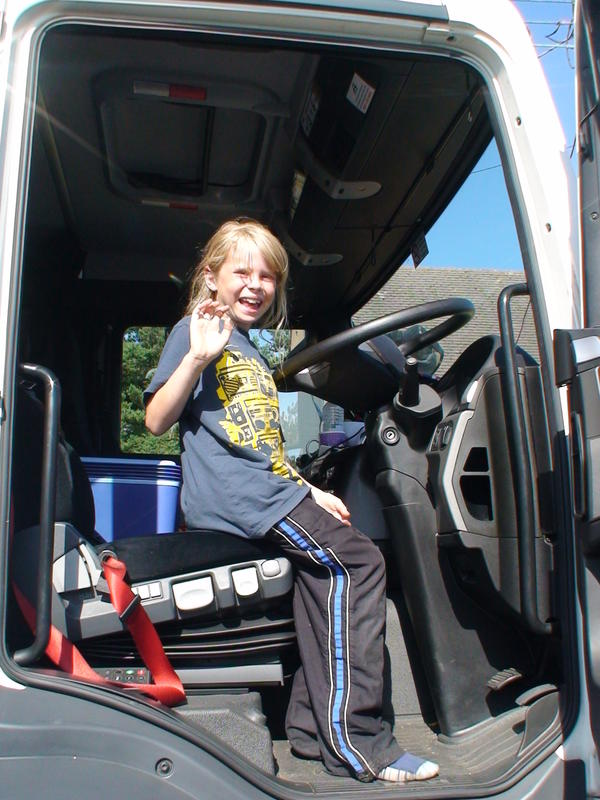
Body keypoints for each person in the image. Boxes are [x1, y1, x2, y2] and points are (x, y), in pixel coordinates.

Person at [144, 218, 439, 783]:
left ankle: (308, 727)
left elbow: (264, 447)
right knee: (359, 562)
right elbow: (157, 420)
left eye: (268, 276)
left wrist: (311, 490)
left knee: (320, 577)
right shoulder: (194, 331)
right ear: (212, 275)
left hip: (270, 490)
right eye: (242, 272)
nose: (256, 285)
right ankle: (361, 741)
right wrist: (197, 358)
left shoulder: (250, 349)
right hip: (241, 500)